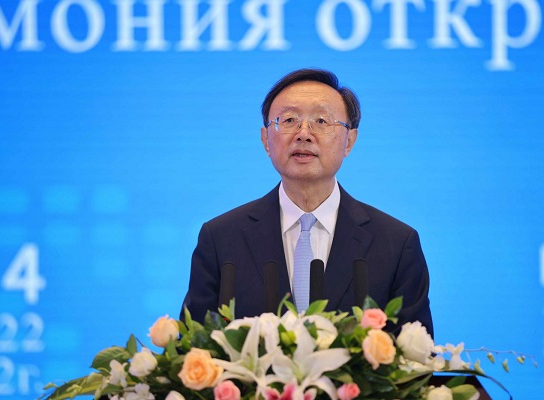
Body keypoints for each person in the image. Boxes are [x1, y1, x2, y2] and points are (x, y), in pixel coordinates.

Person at [181, 68, 433, 336]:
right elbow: (192, 346)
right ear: (266, 140)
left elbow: (415, 355)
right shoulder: (220, 239)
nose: (303, 134)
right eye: (289, 120)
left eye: (321, 121)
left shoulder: (396, 244)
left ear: (349, 141)